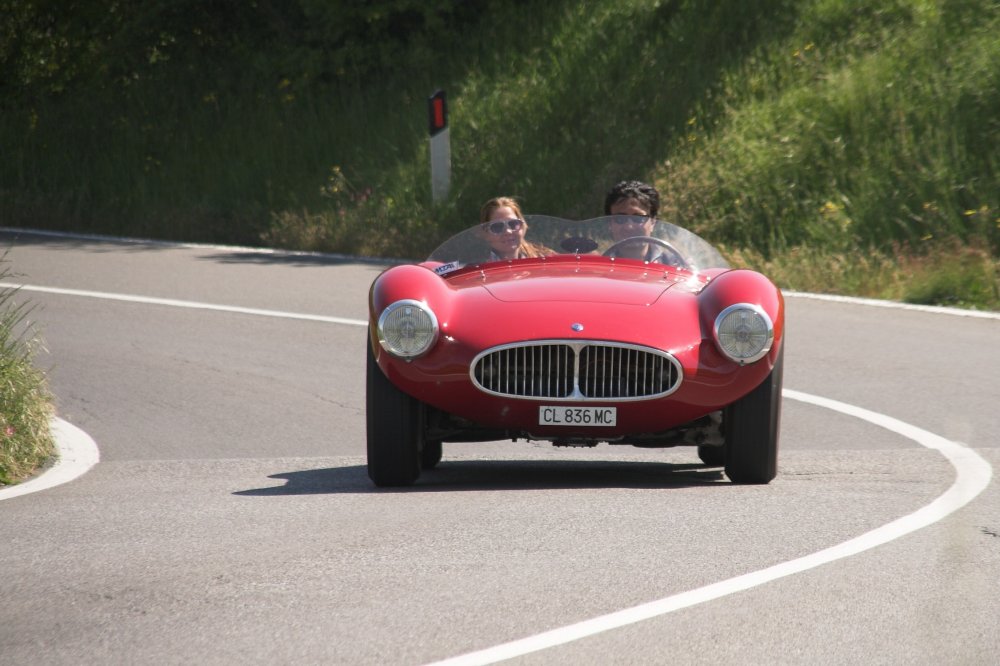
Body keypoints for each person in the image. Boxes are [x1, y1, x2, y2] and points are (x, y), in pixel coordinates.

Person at [603, 180, 678, 264]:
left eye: (638, 218)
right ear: (609, 223)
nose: (629, 227)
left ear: (653, 222)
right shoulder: (598, 269)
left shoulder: (675, 266)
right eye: (620, 219)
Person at [479, 196, 553, 260]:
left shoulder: (544, 259)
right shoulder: (475, 270)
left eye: (513, 224)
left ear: (523, 226)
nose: (508, 231)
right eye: (497, 227)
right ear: (486, 233)